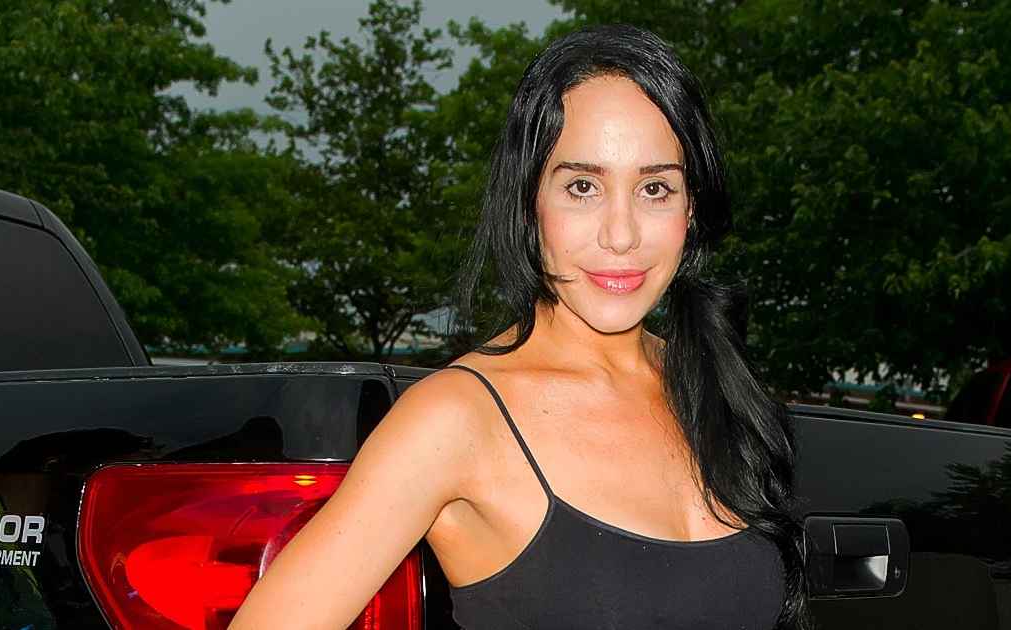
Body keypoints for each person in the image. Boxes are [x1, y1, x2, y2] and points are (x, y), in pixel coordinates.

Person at [230, 23, 807, 630]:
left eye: (655, 188)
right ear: (530, 202)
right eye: (582, 187)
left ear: (691, 208)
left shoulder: (717, 383)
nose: (621, 234)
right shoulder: (455, 419)